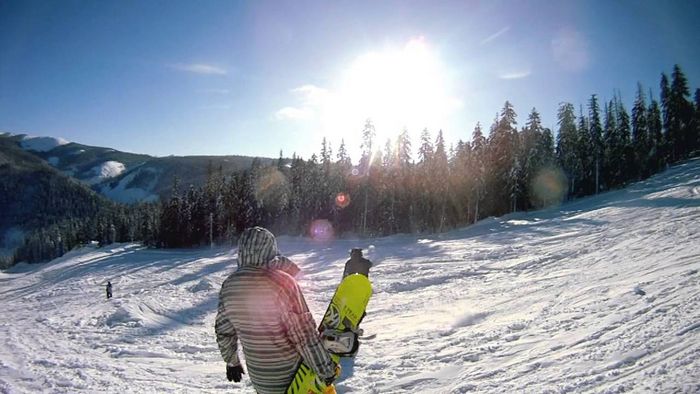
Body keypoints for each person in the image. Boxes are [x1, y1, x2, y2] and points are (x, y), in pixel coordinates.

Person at [215, 227, 339, 393]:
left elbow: (223, 331)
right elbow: (303, 334)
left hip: (260, 379)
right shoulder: (282, 282)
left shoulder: (229, 285)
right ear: (270, 249)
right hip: (293, 378)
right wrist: (325, 369)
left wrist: (231, 361)